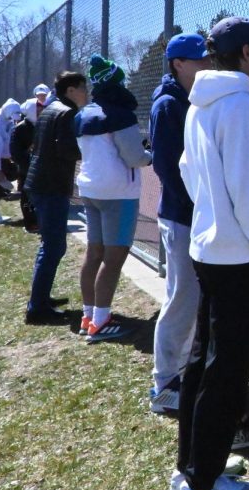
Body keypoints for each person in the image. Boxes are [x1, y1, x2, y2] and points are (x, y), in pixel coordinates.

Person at [172, 16, 249, 490]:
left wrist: (216, 216)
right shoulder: (240, 105)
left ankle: (191, 469)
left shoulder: (201, 102)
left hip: (210, 250)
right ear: (245, 53)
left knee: (203, 362)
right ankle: (202, 488)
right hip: (240, 257)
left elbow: (187, 171)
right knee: (227, 373)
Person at [148, 33, 210, 414]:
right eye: (198, 60)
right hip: (181, 216)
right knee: (182, 298)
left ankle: (180, 371)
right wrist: (201, 202)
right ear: (178, 64)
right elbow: (168, 168)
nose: (206, 65)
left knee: (192, 299)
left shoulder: (188, 98)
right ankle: (165, 383)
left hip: (192, 215)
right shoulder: (169, 103)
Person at [75, 54, 150, 343]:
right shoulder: (120, 114)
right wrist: (149, 156)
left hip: (90, 190)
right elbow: (134, 157)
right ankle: (101, 322)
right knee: (114, 257)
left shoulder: (83, 114)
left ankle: (89, 315)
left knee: (94, 253)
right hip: (118, 193)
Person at [23, 71, 88, 325]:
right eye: (82, 87)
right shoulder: (66, 113)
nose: (86, 92)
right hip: (50, 187)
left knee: (50, 246)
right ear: (70, 91)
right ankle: (37, 308)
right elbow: (65, 149)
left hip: (41, 184)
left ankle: (40, 299)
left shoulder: (50, 109)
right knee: (53, 247)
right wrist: (86, 147)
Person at [9, 110, 39, 232]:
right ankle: (30, 223)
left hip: (36, 167)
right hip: (25, 168)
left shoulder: (37, 126)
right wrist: (28, 157)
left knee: (35, 197)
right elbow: (15, 152)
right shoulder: (20, 128)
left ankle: (36, 221)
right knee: (27, 197)